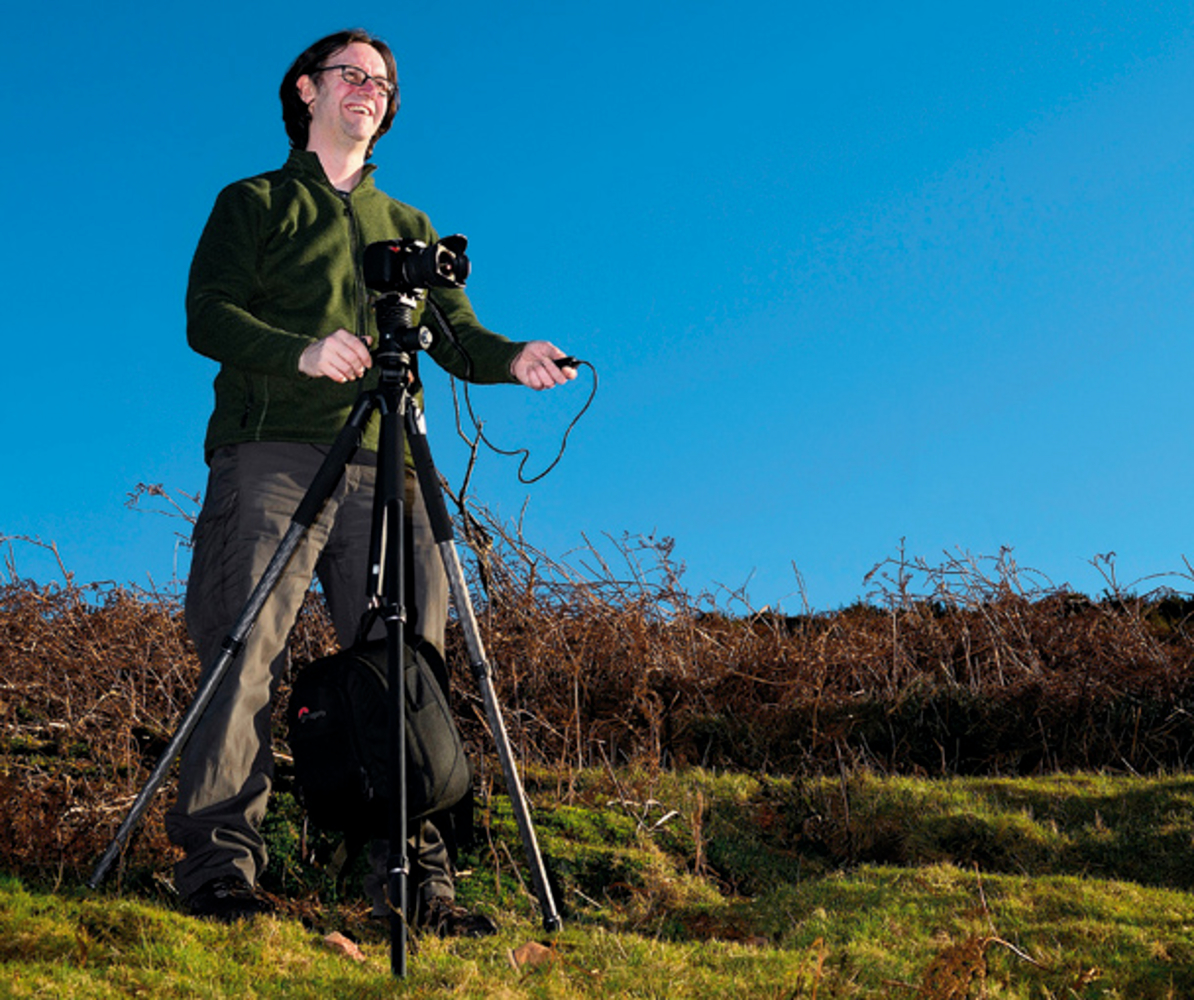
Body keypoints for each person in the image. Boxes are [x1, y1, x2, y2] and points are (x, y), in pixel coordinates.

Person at [165, 28, 575, 928]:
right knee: (243, 657)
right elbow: (207, 316)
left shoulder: (412, 230)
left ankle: (412, 882)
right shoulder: (256, 202)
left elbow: (458, 338)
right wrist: (302, 352)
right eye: (351, 74)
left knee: (408, 671)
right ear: (307, 91)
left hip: (385, 461)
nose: (370, 89)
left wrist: (516, 361)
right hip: (271, 452)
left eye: (383, 82)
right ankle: (220, 874)